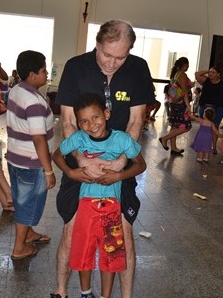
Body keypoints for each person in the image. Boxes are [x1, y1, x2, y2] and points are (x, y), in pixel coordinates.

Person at [50, 20, 155, 298]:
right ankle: (61, 292)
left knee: (124, 238)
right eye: (107, 55)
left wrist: (121, 162)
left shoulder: (138, 68)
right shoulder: (75, 67)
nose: (112, 63)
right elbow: (69, 122)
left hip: (120, 161)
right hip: (81, 161)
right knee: (72, 232)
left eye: (120, 57)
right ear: (97, 44)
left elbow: (136, 120)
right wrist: (82, 160)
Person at [53, 93, 146, 298]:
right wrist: (71, 172)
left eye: (95, 117)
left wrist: (119, 176)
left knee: (110, 256)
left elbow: (141, 164)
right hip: (85, 207)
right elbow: (57, 155)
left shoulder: (122, 139)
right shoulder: (78, 138)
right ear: (78, 123)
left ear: (106, 113)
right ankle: (85, 294)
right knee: (83, 252)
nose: (91, 125)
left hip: (112, 208)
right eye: (83, 121)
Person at [6, 50, 56, 261]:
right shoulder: (33, 101)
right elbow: (38, 139)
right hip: (31, 163)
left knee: (20, 199)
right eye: (44, 70)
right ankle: (19, 247)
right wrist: (48, 170)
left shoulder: (17, 89)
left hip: (16, 158)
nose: (47, 74)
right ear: (32, 73)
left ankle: (29, 234)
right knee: (28, 204)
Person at [195, 66, 223, 154]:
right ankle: (201, 145)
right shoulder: (205, 80)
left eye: (213, 73)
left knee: (215, 127)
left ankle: (213, 146)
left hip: (218, 108)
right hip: (204, 106)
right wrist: (208, 70)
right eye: (210, 72)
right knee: (204, 126)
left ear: (218, 74)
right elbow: (197, 74)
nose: (210, 74)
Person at [159, 57, 193, 154]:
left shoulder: (176, 74)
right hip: (181, 104)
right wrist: (188, 105)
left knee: (174, 125)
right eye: (187, 64)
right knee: (186, 126)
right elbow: (185, 91)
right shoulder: (182, 74)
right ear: (184, 65)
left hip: (174, 103)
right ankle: (164, 139)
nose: (188, 66)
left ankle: (173, 147)